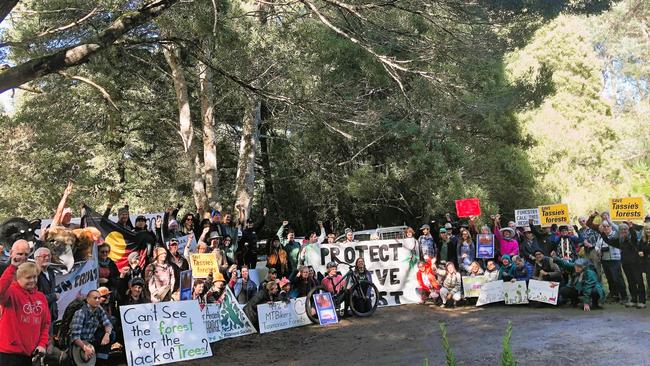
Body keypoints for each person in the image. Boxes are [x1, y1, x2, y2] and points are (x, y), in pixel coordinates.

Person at [0, 256, 50, 366]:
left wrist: (42, 344)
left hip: (31, 354)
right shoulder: (11, 292)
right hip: (9, 353)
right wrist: (12, 267)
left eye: (34, 277)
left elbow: (45, 324)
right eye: (28, 278)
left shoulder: (41, 297)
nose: (32, 280)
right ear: (18, 278)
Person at [600, 223, 646, 308]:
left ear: (628, 230)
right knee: (630, 282)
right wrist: (602, 233)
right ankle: (633, 299)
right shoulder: (619, 241)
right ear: (619, 231)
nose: (623, 231)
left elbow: (634, 236)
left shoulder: (632, 239)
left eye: (625, 229)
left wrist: (631, 228)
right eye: (621, 229)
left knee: (639, 281)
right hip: (625, 264)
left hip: (636, 263)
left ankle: (642, 301)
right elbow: (609, 241)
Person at [70, 290, 114, 363]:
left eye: (99, 298)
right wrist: (85, 347)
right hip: (80, 342)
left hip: (91, 339)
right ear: (88, 299)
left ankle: (100, 360)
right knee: (84, 358)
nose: (97, 300)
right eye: (95, 298)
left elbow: (108, 323)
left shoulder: (99, 310)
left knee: (112, 334)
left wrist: (107, 334)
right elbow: (75, 337)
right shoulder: (81, 313)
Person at [593, 220, 627, 303]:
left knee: (617, 278)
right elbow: (597, 246)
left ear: (611, 227)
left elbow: (618, 232)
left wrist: (609, 220)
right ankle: (614, 295)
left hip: (615, 259)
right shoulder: (600, 236)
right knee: (610, 279)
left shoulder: (615, 235)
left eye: (607, 226)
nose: (606, 228)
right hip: (604, 259)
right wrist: (598, 250)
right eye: (604, 226)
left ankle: (624, 296)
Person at [34, 247, 59, 325]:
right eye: (44, 256)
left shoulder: (51, 272)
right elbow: (35, 298)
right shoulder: (34, 274)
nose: (47, 258)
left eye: (49, 256)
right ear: (36, 258)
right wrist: (54, 296)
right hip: (38, 316)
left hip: (51, 316)